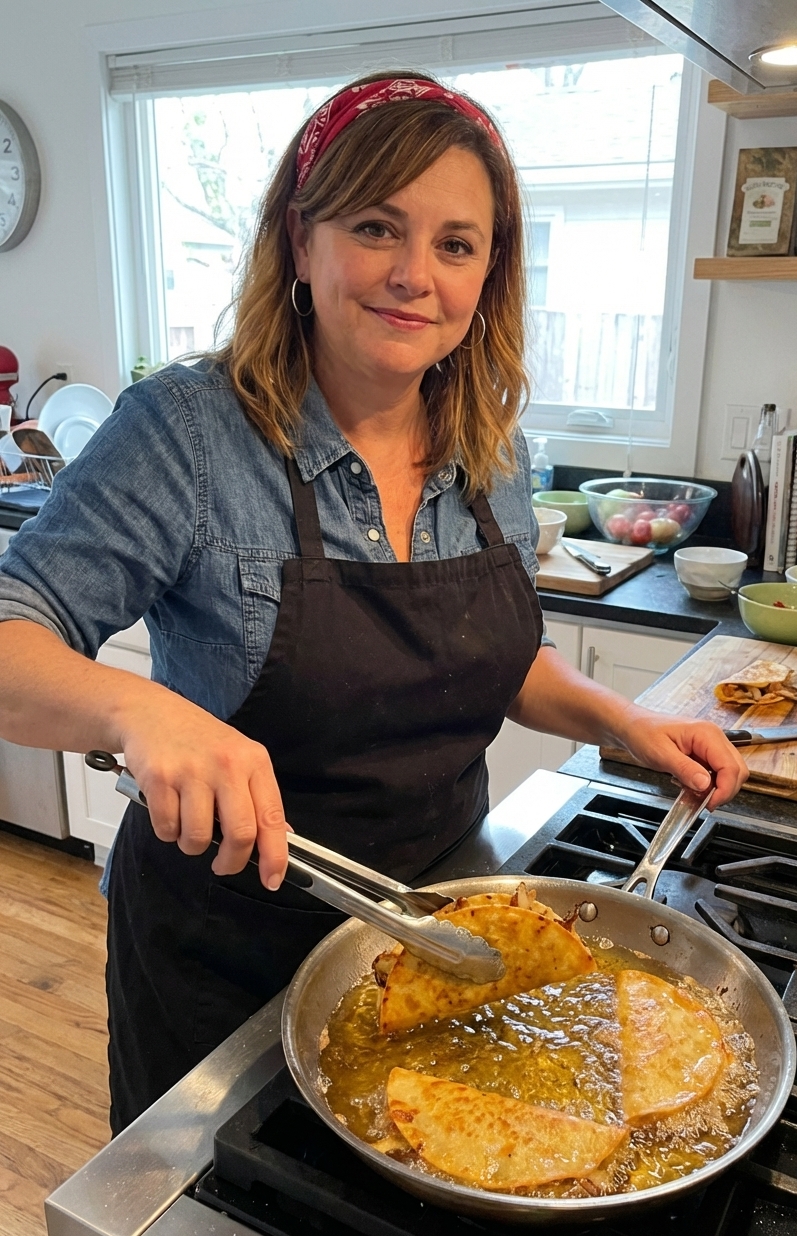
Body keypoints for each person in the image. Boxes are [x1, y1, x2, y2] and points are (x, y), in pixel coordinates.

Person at [0, 72, 748, 1133]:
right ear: (301, 241)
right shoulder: (190, 433)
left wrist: (626, 724)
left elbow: (496, 655)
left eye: (456, 243)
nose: (413, 276)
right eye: (376, 226)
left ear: (490, 273)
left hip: (435, 934)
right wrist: (143, 712)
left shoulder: (491, 447)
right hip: (222, 963)